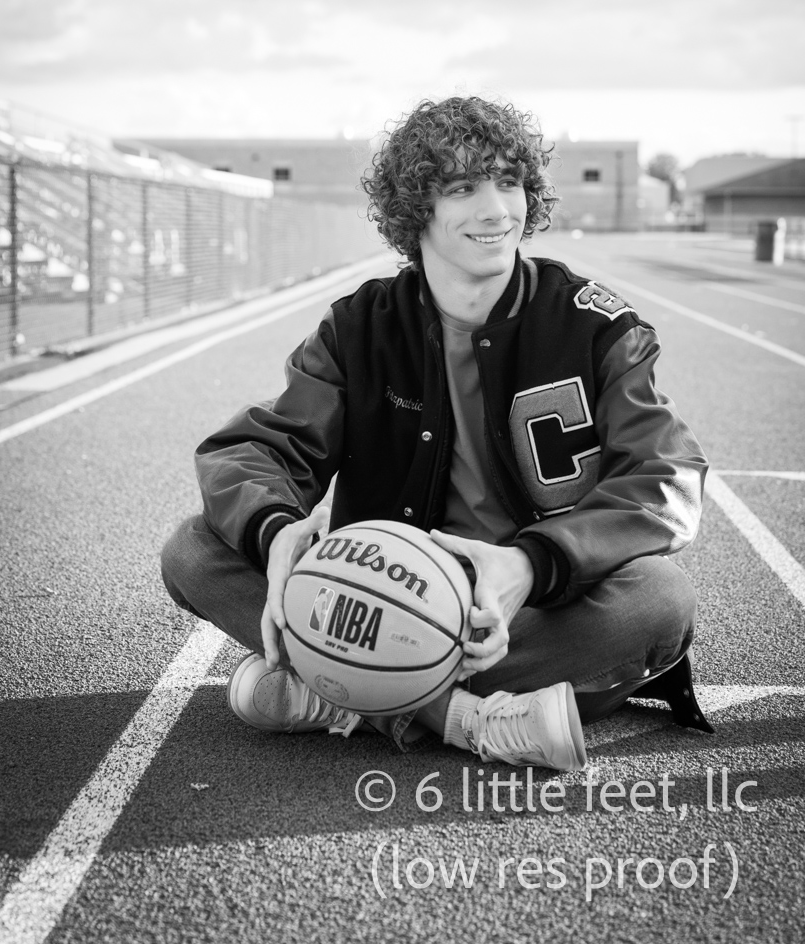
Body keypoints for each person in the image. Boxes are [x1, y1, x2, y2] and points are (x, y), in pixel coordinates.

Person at [161, 95, 711, 772]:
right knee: (194, 550)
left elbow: (667, 476)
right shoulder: (361, 328)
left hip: (524, 607)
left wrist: (530, 564)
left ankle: (347, 692)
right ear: (414, 207)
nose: (496, 210)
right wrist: (275, 535)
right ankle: (463, 719)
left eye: (508, 182)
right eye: (462, 188)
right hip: (383, 589)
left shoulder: (595, 327)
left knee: (660, 600)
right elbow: (255, 450)